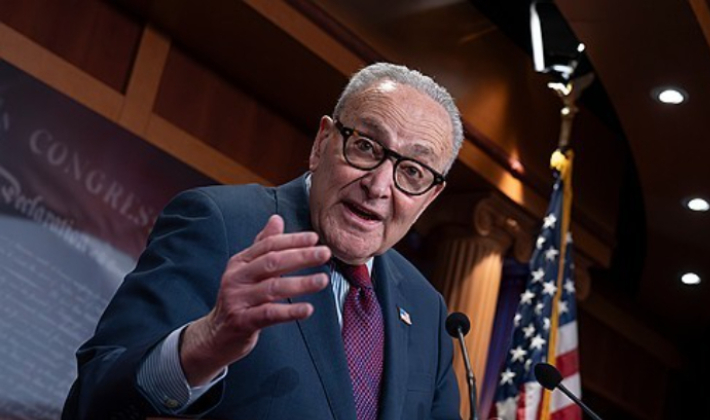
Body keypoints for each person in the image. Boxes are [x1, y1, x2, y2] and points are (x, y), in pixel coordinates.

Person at [62, 62, 465, 420]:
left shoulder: (427, 310)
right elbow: (95, 396)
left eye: (412, 172)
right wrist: (203, 345)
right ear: (322, 143)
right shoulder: (220, 223)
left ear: (430, 197)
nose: (378, 186)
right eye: (365, 146)